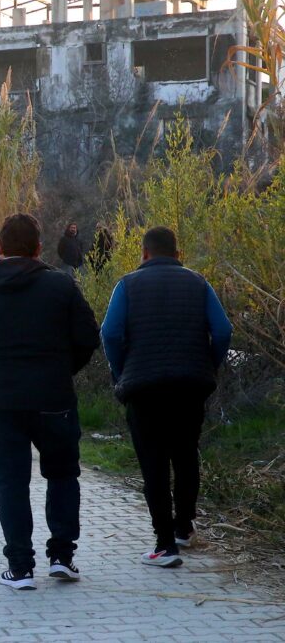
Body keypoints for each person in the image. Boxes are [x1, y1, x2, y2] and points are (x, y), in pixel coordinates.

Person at [0, 213, 100, 591]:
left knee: (11, 483)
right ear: (38, 248)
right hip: (54, 397)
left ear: (0, 249)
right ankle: (62, 557)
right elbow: (88, 337)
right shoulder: (61, 286)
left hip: (2, 403)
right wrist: (63, 369)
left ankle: (20, 568)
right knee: (63, 474)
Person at [101, 226, 232, 568]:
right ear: (178, 254)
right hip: (190, 385)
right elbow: (222, 330)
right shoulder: (199, 283)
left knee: (154, 465)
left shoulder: (127, 285)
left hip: (143, 388)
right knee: (186, 456)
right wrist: (207, 364)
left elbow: (110, 333)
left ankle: (163, 546)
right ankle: (184, 528)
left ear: (144, 254)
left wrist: (121, 371)